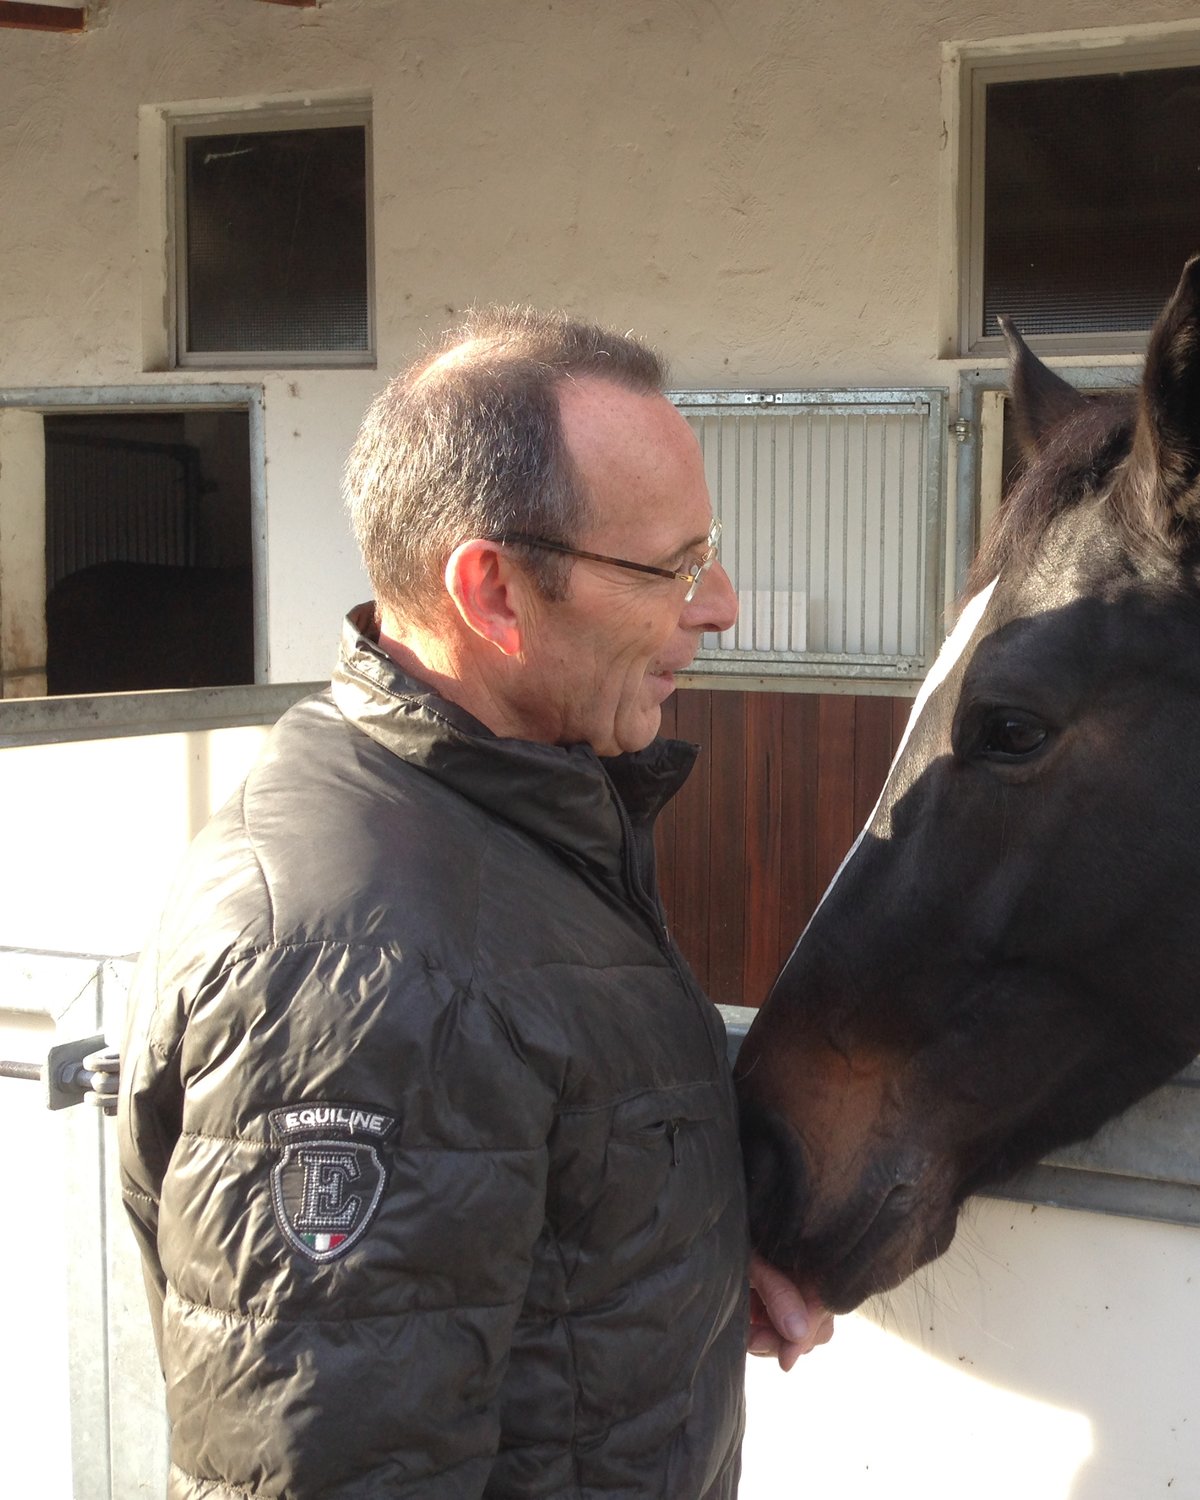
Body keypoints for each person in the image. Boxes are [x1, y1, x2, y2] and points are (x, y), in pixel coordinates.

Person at [118, 308, 833, 1500]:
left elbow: (493, 1212)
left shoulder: (505, 828)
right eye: (671, 566)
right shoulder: (362, 970)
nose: (719, 606)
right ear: (494, 591)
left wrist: (675, 1265)